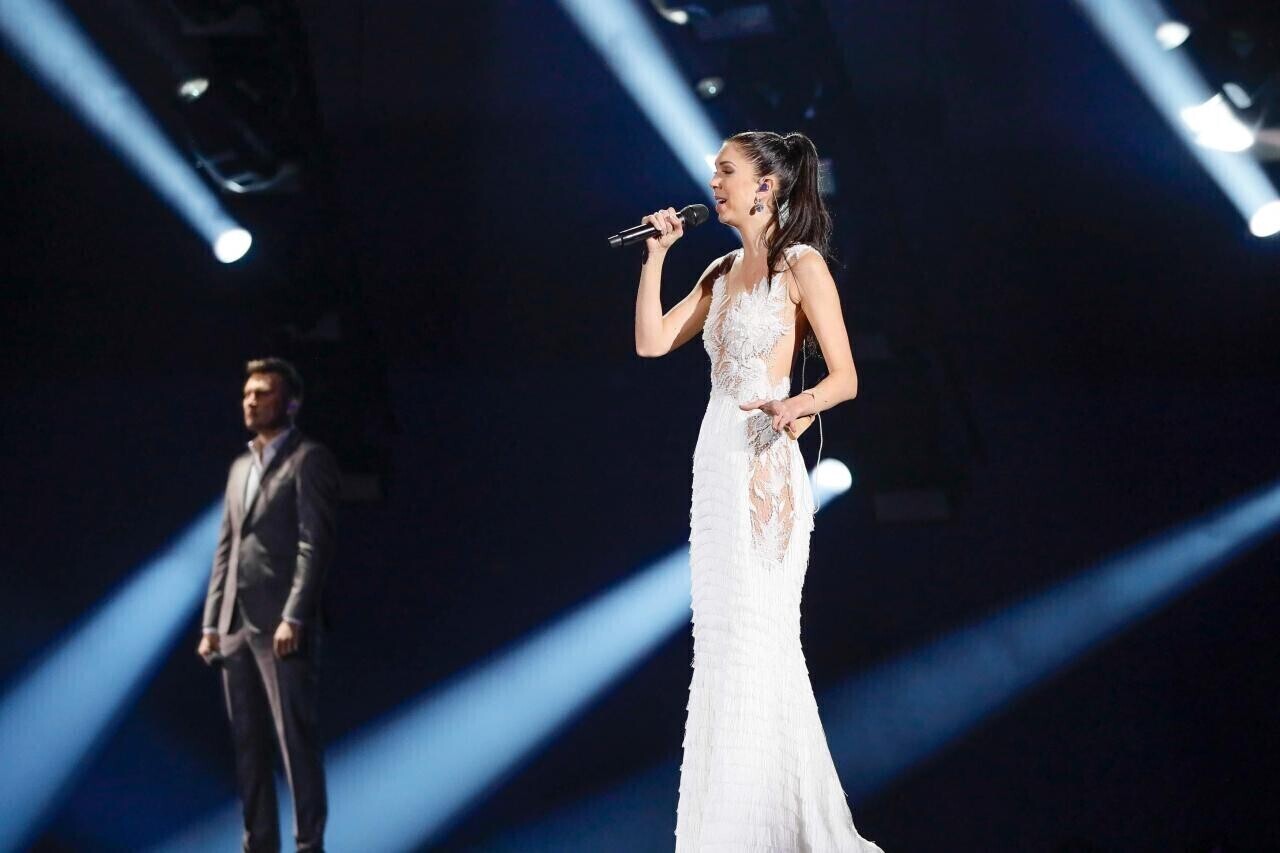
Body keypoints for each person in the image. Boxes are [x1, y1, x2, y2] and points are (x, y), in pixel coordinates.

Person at [634, 131, 883, 851]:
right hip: (714, 461)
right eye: (715, 172)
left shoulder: (801, 264)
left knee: (759, 635)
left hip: (763, 462)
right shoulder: (718, 269)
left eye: (727, 171)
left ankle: (774, 831)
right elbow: (652, 342)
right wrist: (656, 257)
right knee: (719, 642)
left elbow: (845, 376)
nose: (714, 183)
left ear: (766, 186)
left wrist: (798, 404)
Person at [197, 357, 340, 853]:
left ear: (291, 403)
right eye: (247, 393)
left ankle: (308, 844)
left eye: (262, 392)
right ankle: (258, 842)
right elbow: (226, 547)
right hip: (235, 624)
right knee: (248, 744)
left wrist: (294, 614)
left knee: (294, 740)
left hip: (282, 624)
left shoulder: (309, 459)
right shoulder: (240, 466)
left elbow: (314, 543)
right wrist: (211, 623)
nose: (251, 401)